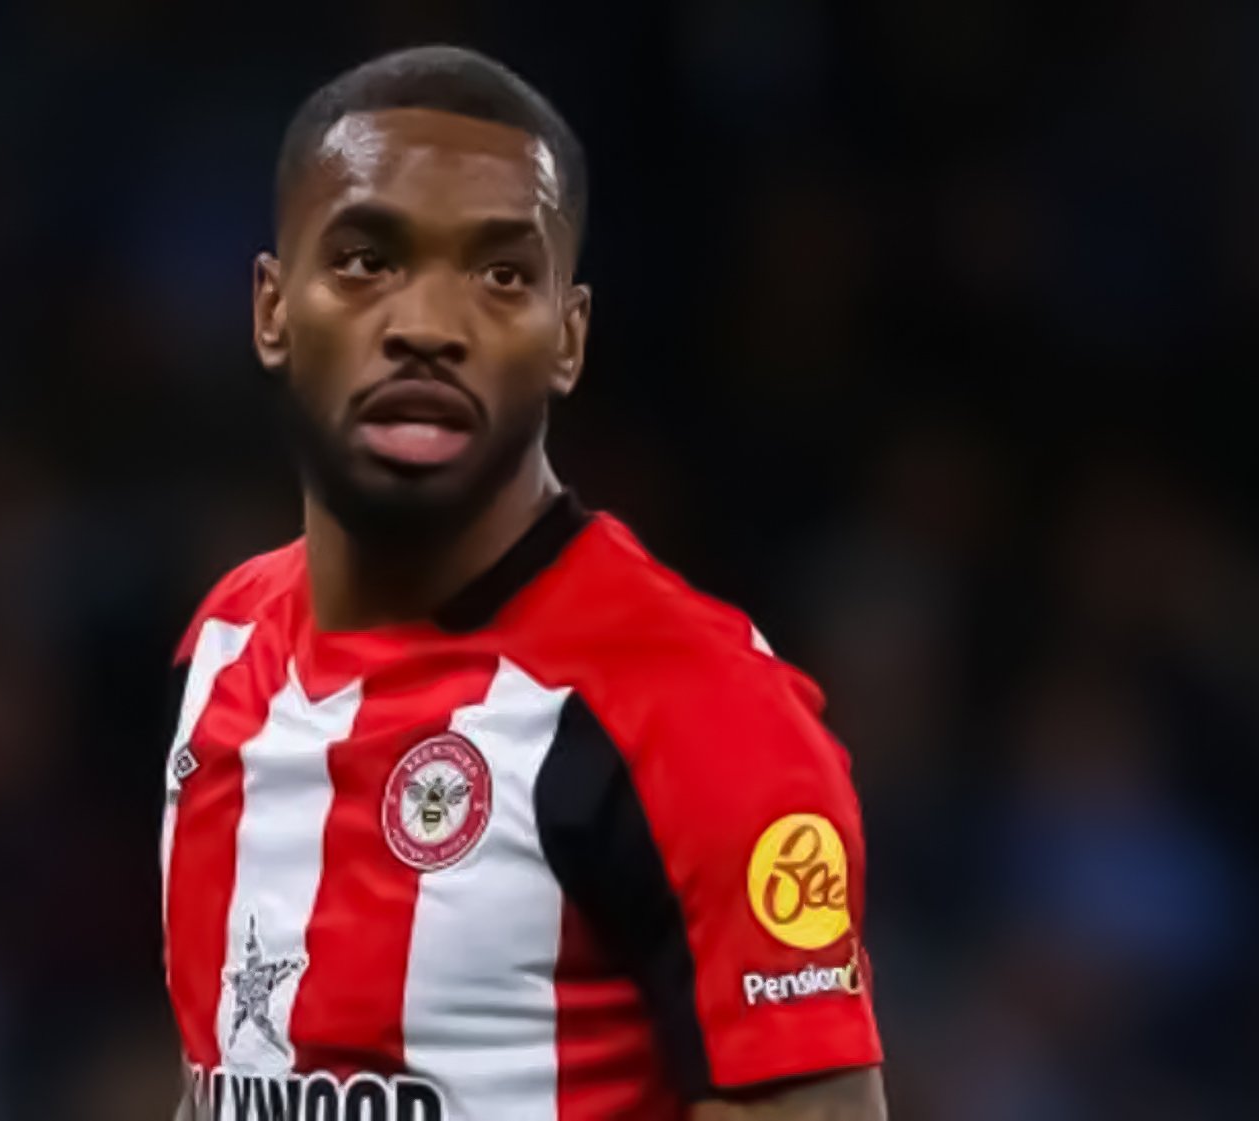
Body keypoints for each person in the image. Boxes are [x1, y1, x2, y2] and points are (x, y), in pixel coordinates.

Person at [161, 45, 887, 1120]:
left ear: (567, 337)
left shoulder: (698, 713)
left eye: (501, 274)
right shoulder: (222, 647)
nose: (425, 325)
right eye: (365, 258)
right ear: (271, 308)